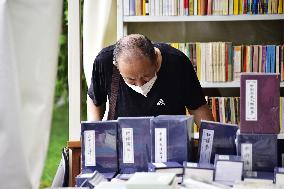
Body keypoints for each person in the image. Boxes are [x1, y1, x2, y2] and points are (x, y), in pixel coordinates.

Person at [87, 34, 213, 126]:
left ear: (156, 59)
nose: (140, 84)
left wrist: (212, 141)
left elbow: (197, 107)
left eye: (146, 76)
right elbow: (95, 99)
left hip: (171, 141)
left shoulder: (177, 62)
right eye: (131, 79)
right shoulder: (104, 62)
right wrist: (94, 132)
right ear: (116, 65)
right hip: (124, 140)